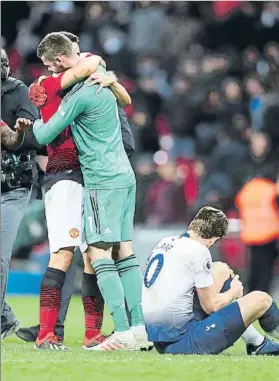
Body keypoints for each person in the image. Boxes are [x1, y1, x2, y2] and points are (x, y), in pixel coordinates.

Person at [16, 32, 135, 350]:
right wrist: (94, 66)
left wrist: (101, 74)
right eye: (76, 52)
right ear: (57, 62)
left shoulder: (80, 81)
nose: (83, 55)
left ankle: (93, 334)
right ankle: (46, 334)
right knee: (63, 255)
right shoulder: (49, 84)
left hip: (91, 178)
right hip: (64, 178)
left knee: (95, 257)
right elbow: (90, 64)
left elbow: (98, 71)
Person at [143, 206, 279, 355]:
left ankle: (256, 342)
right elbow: (211, 307)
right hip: (183, 342)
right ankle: (257, 344)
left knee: (220, 269)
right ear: (214, 239)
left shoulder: (166, 241)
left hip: (161, 339)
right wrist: (233, 291)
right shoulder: (199, 250)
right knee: (261, 299)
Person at [1, 48, 40, 340]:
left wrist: (22, 131)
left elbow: (30, 139)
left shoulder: (18, 92)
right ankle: (4, 316)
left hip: (13, 186)